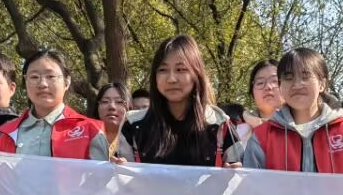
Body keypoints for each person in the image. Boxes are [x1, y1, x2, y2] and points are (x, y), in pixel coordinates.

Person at [118, 35, 241, 167]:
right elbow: (123, 177)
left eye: (180, 69)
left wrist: (235, 173)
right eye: (163, 70)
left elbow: (242, 171)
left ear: (196, 74)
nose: (171, 79)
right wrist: (119, 169)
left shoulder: (220, 125)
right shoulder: (133, 125)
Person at [244, 47, 343, 174]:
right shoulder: (261, 137)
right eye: (289, 77)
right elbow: (252, 184)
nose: (297, 84)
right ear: (281, 85)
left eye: (305, 76)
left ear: (322, 84)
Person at [0, 49, 108, 159]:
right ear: (25, 82)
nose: (42, 84)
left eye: (51, 76)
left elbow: (100, 171)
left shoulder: (91, 130)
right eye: (34, 77)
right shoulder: (6, 134)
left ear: (67, 82)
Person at [95, 82, 135, 160]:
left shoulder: (138, 139)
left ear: (129, 107)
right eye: (105, 101)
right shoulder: (85, 136)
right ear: (97, 106)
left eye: (119, 102)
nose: (112, 107)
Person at [246, 59, 283, 127]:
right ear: (252, 92)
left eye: (275, 81)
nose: (268, 87)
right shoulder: (236, 129)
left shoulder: (302, 127)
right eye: (260, 83)